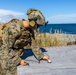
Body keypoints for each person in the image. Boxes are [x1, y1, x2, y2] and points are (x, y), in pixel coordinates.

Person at [0, 8, 51, 75]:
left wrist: (41, 56)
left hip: (14, 54)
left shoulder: (29, 31)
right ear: (32, 22)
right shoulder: (14, 29)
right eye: (38, 25)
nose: (37, 28)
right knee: (9, 71)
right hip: (4, 53)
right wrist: (19, 61)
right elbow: (5, 49)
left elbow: (33, 44)